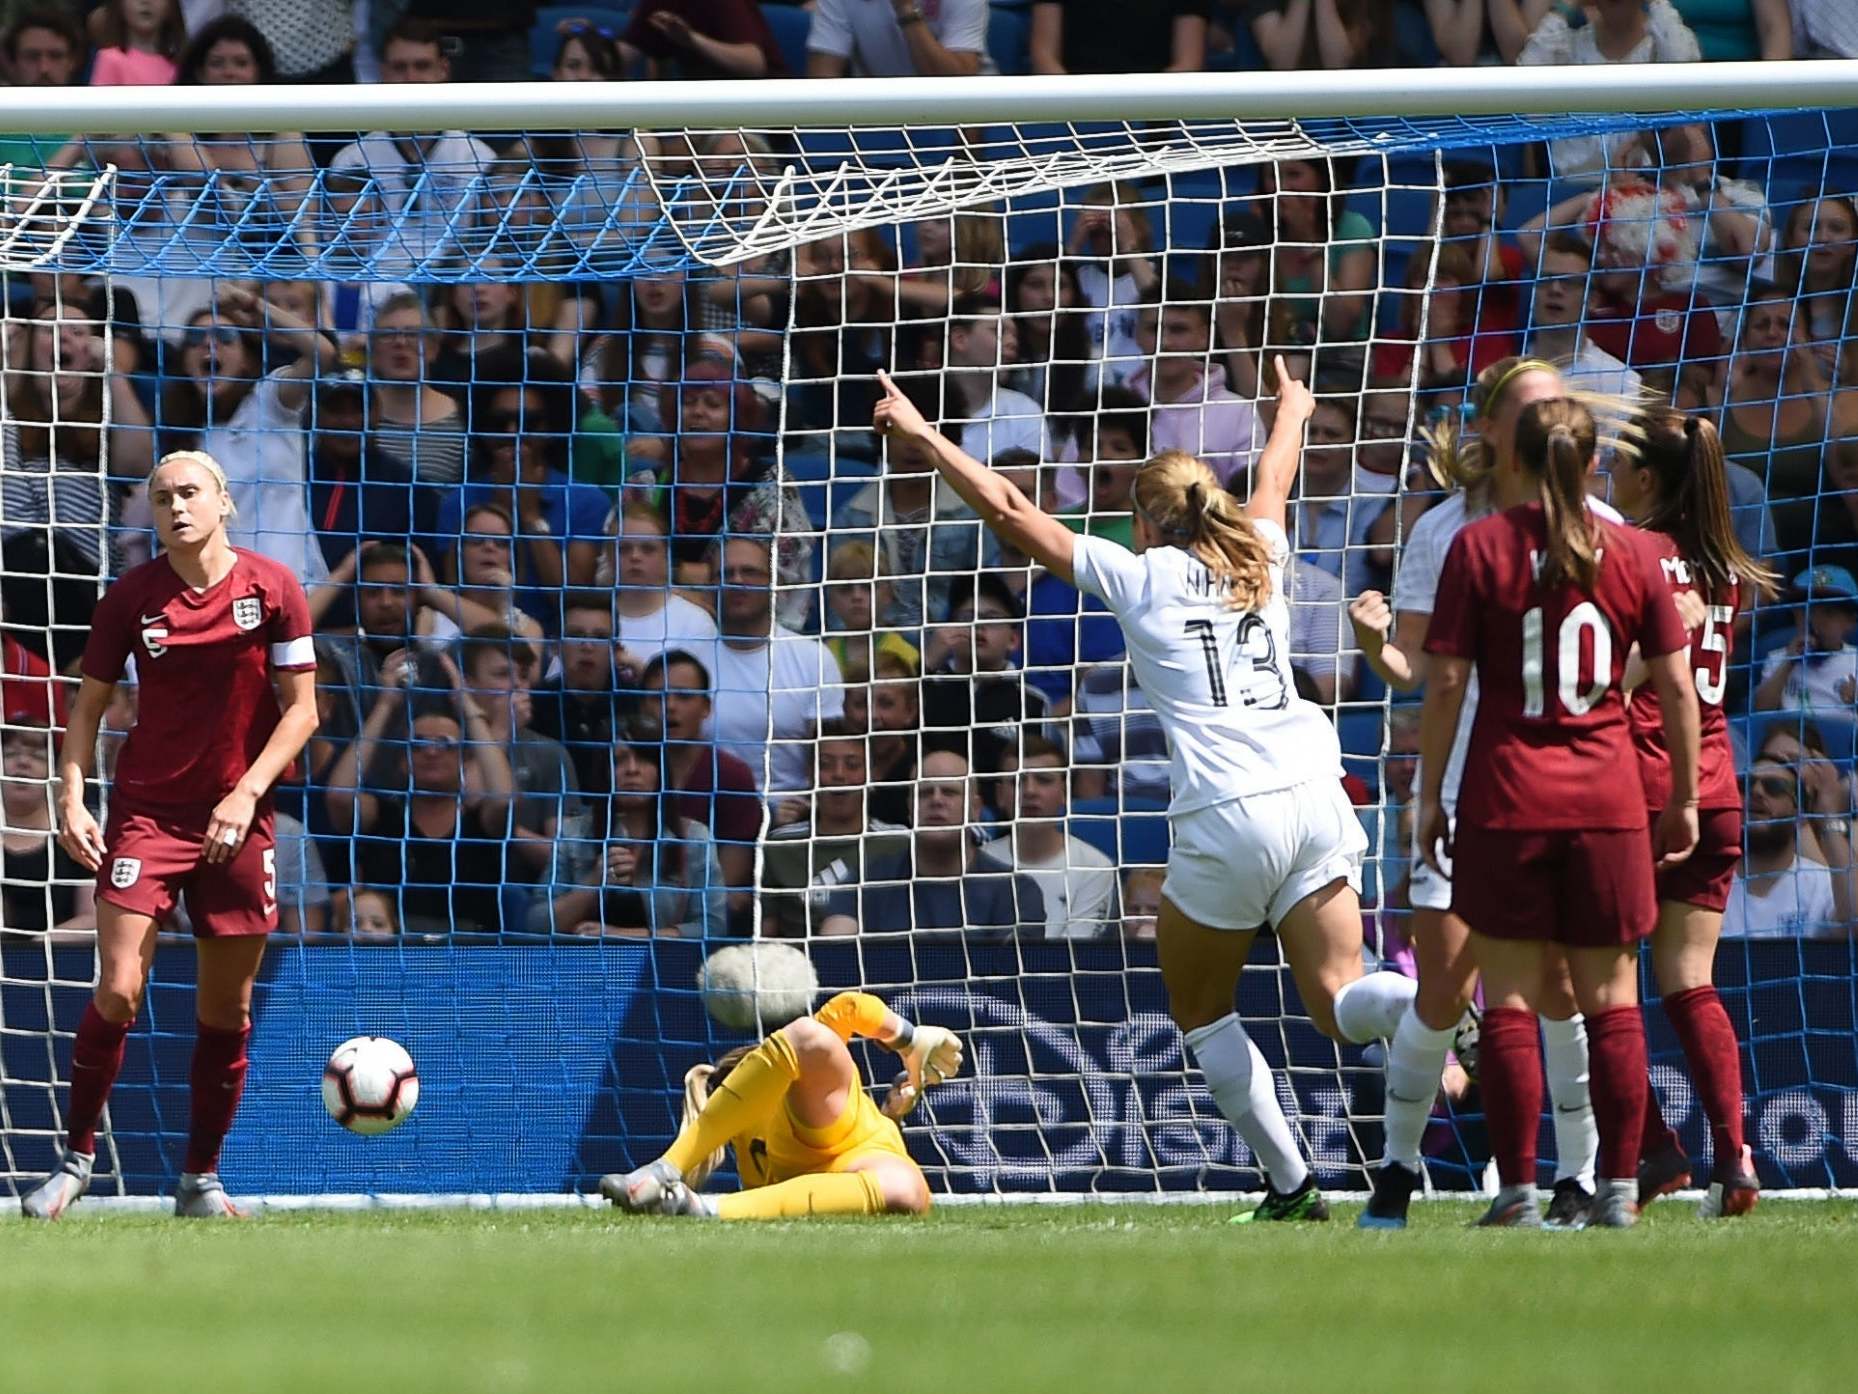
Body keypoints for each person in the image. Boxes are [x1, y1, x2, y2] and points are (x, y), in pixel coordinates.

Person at [875, 359, 1421, 1220]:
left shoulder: (1139, 575)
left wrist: (923, 437)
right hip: (1319, 796)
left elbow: (1014, 511)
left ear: (1142, 523)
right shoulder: (1263, 556)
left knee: (1202, 1009)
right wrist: (1295, 410)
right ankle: (1424, 1002)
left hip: (1227, 812)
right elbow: (1274, 477)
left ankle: (1292, 1186)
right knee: (1339, 1003)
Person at [1416, 394, 1702, 1230]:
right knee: (1612, 995)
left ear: (1516, 457)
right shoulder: (1638, 552)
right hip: (1608, 796)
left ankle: (1518, 1194)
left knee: (1506, 998)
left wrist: (1431, 797)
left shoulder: (1479, 546)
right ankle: (1618, 1189)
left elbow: (1444, 683)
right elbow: (1675, 684)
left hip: (1508, 794)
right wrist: (1682, 794)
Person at [22, 451, 319, 1221]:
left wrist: (247, 792)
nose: (176, 507)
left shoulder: (273, 588)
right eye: (161, 497)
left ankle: (200, 1179)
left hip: (238, 820)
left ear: (224, 502)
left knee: (226, 1011)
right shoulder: (131, 597)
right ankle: (76, 1160)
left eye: (190, 492)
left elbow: (304, 711)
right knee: (119, 988)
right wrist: (73, 794)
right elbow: (87, 706)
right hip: (147, 815)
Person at [1349, 358, 1609, 1229]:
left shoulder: (1603, 527)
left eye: (1554, 412)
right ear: (1491, 427)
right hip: (1463, 789)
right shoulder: (1444, 530)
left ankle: (1575, 1177)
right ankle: (1394, 1173)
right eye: (1527, 412)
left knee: (1563, 990)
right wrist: (1372, 646)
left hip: (1568, 790)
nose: (1541, 428)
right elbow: (1422, 672)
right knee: (1445, 987)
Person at [1609, 405, 1772, 1219]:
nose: (1607, 474)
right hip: (1717, 787)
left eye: (1617, 463)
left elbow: (1630, 670)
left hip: (1641, 790)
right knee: (1688, 980)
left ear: (1646, 479)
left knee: (1584, 982)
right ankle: (1735, 1157)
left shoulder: (1635, 553)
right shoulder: (1727, 568)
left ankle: (1652, 1153)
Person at [602, 990, 960, 1219]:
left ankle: (678, 1190)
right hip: (823, 1146)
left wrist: (890, 1113)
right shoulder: (773, 1103)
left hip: (827, 1161)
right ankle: (688, 1193)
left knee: (903, 1188)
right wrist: (908, 1039)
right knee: (907, 1188)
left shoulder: (740, 1123)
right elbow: (848, 1007)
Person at [817, 749, 1046, 940]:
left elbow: (1012, 981)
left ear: (975, 809)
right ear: (909, 808)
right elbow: (835, 957)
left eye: (949, 792)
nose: (936, 800)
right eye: (925, 793)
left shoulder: (1016, 891)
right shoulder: (864, 883)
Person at [538, 735, 726, 938]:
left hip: (667, 964)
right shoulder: (572, 833)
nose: (632, 769)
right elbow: (536, 924)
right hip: (583, 965)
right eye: (619, 760)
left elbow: (713, 928)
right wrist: (593, 883)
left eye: (644, 760)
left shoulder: (694, 837)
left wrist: (621, 934)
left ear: (661, 771)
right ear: (605, 772)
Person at [708, 535, 844, 794]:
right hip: (710, 815)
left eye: (749, 572)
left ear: (773, 583)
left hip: (793, 819)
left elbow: (832, 755)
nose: (737, 580)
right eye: (725, 573)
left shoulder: (813, 659)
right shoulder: (688, 661)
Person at [760, 722, 909, 939]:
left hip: (878, 964)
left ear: (872, 775)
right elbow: (766, 935)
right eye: (825, 765)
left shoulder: (899, 841)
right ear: (810, 774)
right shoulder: (780, 845)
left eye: (852, 765)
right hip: (797, 967)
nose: (839, 775)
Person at [975, 736, 1119, 940]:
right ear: (999, 795)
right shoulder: (978, 864)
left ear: (1064, 791)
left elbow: (1077, 955)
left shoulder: (1095, 868)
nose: (1030, 791)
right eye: (1017, 781)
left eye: (1044, 780)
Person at [1722, 757, 1844, 938]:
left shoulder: (1822, 883)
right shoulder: (1710, 880)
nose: (1756, 792)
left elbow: (1854, 925)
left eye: (1774, 787)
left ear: (1799, 813)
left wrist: (1828, 816)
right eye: (1746, 784)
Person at [2, 720, 95, 937]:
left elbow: (93, 919)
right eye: (10, 754)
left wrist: (39, 947)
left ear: (53, 772)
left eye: (37, 756)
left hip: (62, 962)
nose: (23, 762)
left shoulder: (76, 837)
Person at [1752, 565, 1858, 714]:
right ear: (1794, 615)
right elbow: (1760, 710)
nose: (1815, 621)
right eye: (1806, 611)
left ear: (1850, 622)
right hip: (1792, 734)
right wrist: (1788, 662)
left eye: (1828, 613)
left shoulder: (1854, 661)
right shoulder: (1778, 658)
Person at [804, 0, 987, 78]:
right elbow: (823, 77)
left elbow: (959, 84)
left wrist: (905, 9)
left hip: (961, 110)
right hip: (880, 107)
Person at [1028, 0, 1206, 73]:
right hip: (1075, 103)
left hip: (1152, 109)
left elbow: (1188, 63)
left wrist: (1150, 106)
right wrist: (1075, 103)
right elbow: (1044, 56)